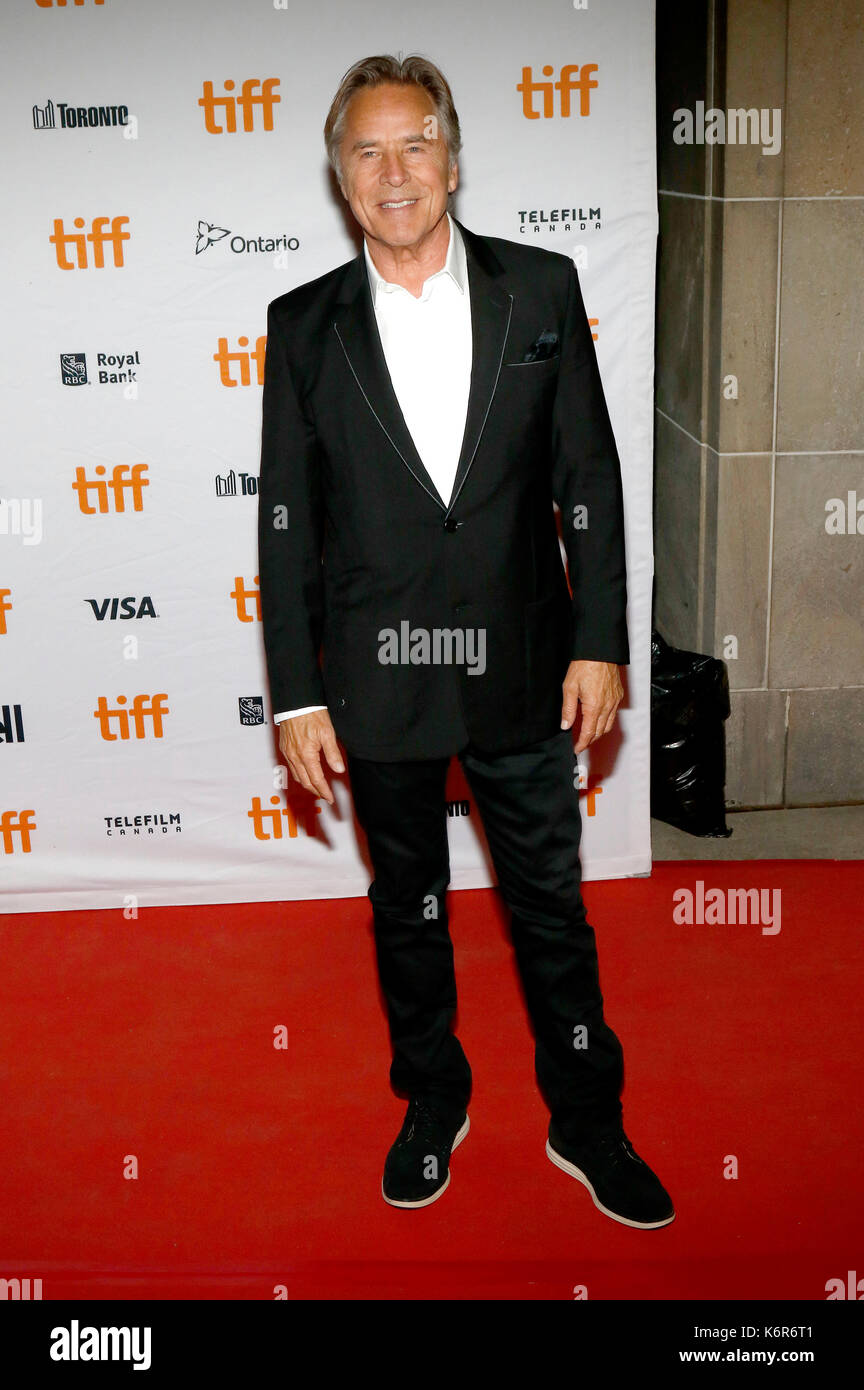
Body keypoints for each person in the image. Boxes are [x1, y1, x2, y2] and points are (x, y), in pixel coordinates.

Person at [257, 54, 674, 1228]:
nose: (395, 173)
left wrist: (602, 638)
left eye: (415, 143)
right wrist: (297, 693)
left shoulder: (540, 289)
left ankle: (588, 1115)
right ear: (340, 177)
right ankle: (432, 1100)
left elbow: (587, 476)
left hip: (524, 666)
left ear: (453, 153)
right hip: (377, 674)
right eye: (367, 152)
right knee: (412, 904)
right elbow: (284, 520)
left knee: (550, 904)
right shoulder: (303, 326)